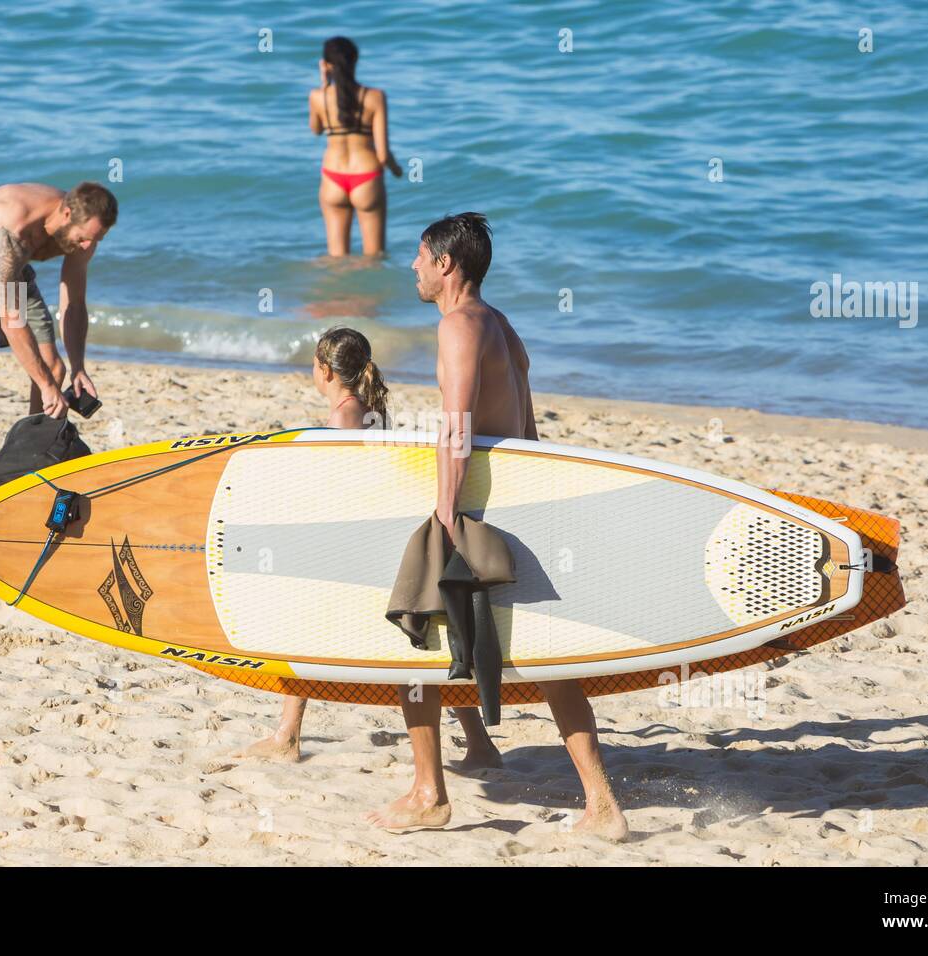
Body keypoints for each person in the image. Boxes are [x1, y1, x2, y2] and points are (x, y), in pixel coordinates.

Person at [365, 213, 629, 839]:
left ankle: (429, 793)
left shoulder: (458, 327)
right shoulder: (503, 327)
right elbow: (531, 433)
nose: (413, 266)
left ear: (446, 264)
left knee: (413, 632)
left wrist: (445, 513)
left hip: (476, 503)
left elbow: (456, 426)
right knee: (548, 660)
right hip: (520, 499)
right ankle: (600, 804)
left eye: (420, 255)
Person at [238, 327, 503, 771]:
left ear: (323, 369)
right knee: (429, 645)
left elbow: (339, 494)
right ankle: (479, 743)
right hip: (369, 542)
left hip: (352, 549)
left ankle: (287, 736)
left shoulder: (343, 418)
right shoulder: (365, 411)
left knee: (299, 618)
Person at [0, 181, 117, 498]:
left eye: (95, 240)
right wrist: (44, 386)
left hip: (13, 279)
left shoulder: (85, 233)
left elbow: (74, 301)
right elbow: (11, 316)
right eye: (84, 238)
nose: (87, 247)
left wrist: (78, 367)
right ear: (67, 213)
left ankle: (24, 463)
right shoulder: (13, 225)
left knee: (54, 369)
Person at [308, 37, 403, 256]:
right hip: (366, 177)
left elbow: (316, 129)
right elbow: (382, 153)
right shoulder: (375, 97)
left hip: (332, 177)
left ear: (325, 64)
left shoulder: (317, 97)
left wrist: (324, 84)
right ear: (355, 60)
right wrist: (396, 170)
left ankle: (338, 292)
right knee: (374, 257)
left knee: (336, 259)